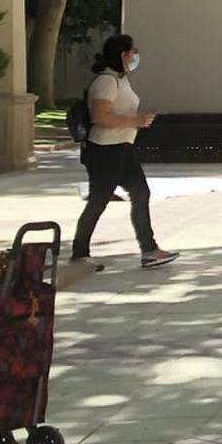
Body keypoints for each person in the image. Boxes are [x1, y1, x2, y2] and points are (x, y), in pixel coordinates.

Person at [71, 34, 179, 271]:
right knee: (99, 200)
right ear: (123, 54)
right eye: (133, 52)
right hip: (105, 150)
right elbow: (100, 116)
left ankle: (150, 250)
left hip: (121, 147)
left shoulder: (121, 79)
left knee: (141, 192)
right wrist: (135, 121)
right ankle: (80, 252)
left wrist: (136, 121)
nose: (135, 56)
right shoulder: (107, 81)